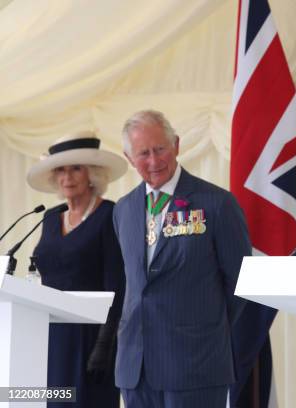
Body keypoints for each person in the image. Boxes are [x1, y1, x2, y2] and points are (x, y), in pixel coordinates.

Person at [113, 110, 251, 408]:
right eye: (143, 153)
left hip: (195, 363)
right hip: (135, 366)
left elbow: (240, 283)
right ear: (128, 157)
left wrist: (203, 327)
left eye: (160, 149)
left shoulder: (217, 203)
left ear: (176, 144)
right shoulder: (123, 209)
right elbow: (133, 283)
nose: (153, 161)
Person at [28, 131, 127, 408]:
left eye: (75, 169)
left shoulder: (109, 214)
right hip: (52, 335)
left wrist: (105, 345)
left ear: (92, 174)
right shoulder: (49, 218)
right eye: (60, 170)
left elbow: (117, 283)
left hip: (92, 338)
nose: (67, 177)